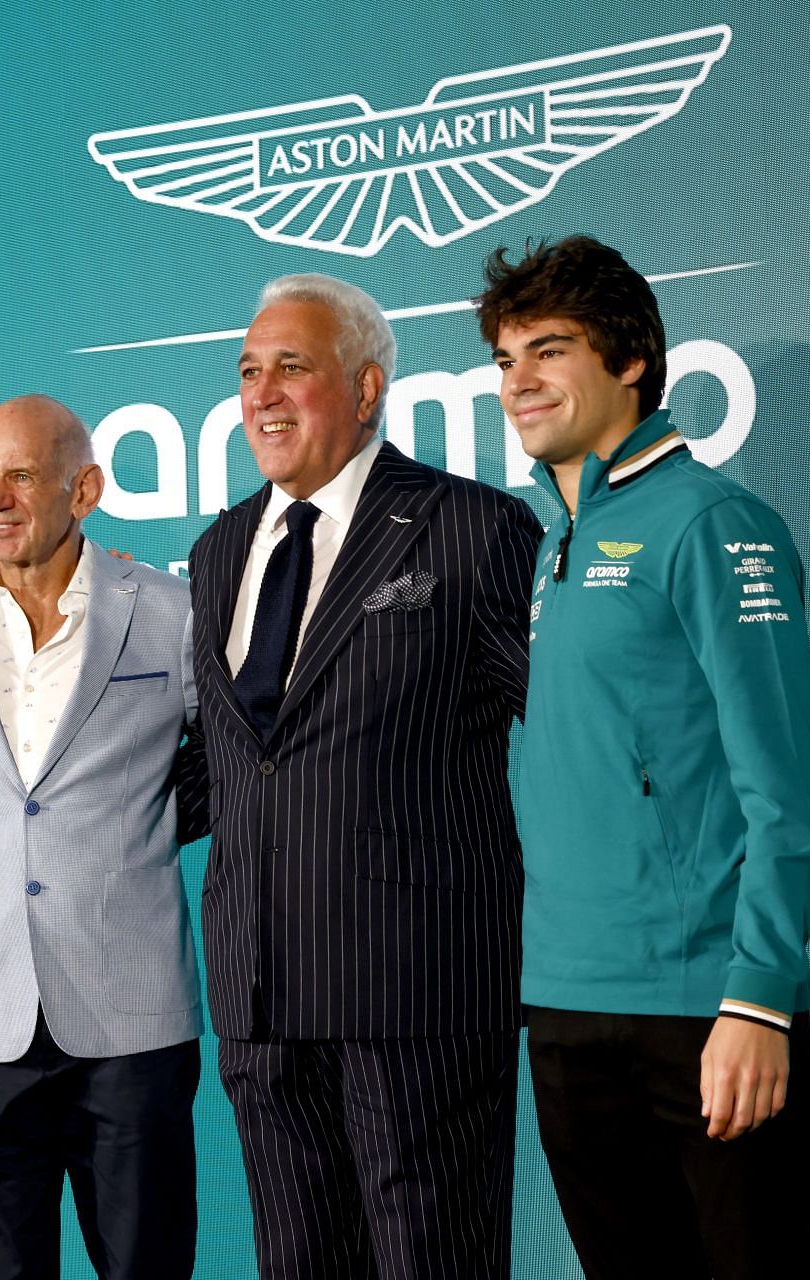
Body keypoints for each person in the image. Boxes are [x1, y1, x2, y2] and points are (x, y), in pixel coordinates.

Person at [481, 234, 810, 1279]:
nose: (519, 381)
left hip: (703, 1014)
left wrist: (759, 995)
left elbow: (786, 792)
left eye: (549, 350)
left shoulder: (716, 523)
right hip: (567, 1004)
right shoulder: (551, 540)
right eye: (503, 360)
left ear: (630, 360)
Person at [187, 274, 541, 1278]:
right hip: (260, 997)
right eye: (250, 371)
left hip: (418, 994)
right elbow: (226, 759)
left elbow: (567, 736)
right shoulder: (217, 551)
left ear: (368, 386)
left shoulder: (470, 529)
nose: (263, 393)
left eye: (292, 367)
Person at [0, 394, 206, 1280]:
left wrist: (141, 822)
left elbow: (228, 762)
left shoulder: (170, 612)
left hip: (131, 1017)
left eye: (21, 476)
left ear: (85, 489)